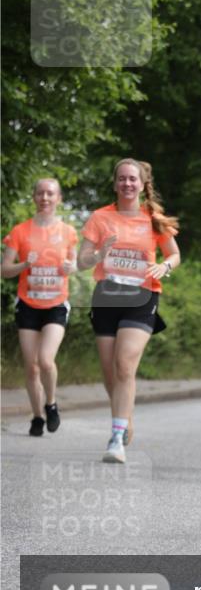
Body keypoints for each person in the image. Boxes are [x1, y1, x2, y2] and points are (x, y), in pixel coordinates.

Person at [78, 159, 180, 464]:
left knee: (124, 365)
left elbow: (174, 254)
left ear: (141, 184)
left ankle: (116, 437)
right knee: (110, 370)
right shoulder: (99, 217)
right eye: (121, 179)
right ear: (115, 184)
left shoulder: (153, 218)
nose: (127, 184)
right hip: (106, 295)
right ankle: (124, 418)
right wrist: (99, 253)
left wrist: (164, 266)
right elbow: (82, 261)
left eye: (132, 179)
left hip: (142, 295)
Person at [2, 179, 78, 436]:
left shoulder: (68, 232)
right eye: (40, 193)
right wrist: (24, 265)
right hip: (28, 305)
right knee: (31, 365)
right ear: (34, 197)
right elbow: (4, 270)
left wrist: (71, 267)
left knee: (46, 360)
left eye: (50, 193)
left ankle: (51, 404)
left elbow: (75, 264)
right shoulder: (20, 231)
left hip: (56, 304)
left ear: (58, 198)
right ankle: (37, 417)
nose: (45, 197)